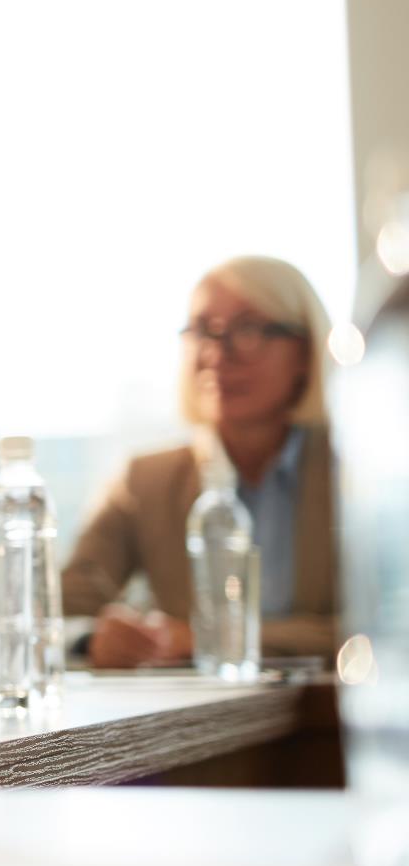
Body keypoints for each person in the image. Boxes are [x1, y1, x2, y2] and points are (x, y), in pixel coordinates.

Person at [64, 256, 338, 667]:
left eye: (248, 330)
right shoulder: (146, 480)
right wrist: (93, 639)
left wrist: (207, 639)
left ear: (306, 351)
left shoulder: (365, 477)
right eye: (202, 330)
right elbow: (59, 610)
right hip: (203, 709)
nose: (216, 354)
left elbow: (385, 625)